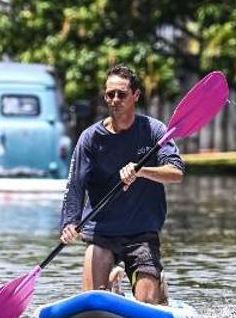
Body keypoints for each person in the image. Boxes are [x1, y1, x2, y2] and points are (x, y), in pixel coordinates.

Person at [60, 65, 185, 304]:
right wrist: (69, 222)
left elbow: (176, 173)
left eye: (122, 94)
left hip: (142, 234)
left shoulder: (154, 131)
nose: (115, 100)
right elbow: (75, 185)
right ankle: (112, 288)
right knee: (92, 297)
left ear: (136, 95)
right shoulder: (90, 138)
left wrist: (141, 170)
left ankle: (157, 290)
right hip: (102, 234)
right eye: (110, 94)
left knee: (148, 306)